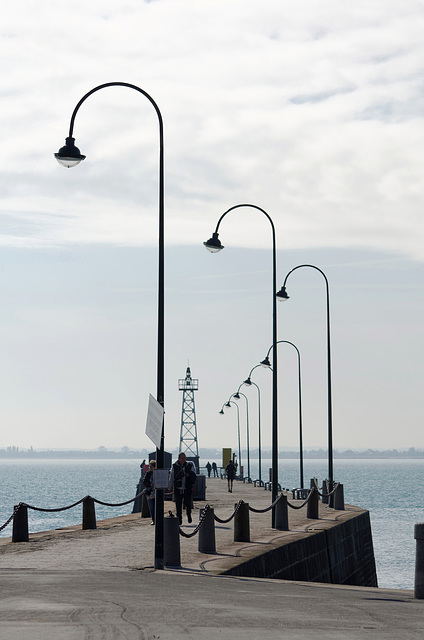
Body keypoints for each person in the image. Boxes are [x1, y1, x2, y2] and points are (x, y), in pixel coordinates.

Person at [168, 452, 196, 524]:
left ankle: (189, 515)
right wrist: (169, 487)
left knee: (188, 503)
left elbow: (194, 475)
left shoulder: (189, 465)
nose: (184, 459)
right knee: (178, 504)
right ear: (179, 458)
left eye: (184, 457)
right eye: (182, 458)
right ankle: (179, 518)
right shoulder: (174, 466)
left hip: (187, 487)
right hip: (178, 488)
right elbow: (171, 477)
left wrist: (189, 475)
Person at [143, 460, 156, 525]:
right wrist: (149, 484)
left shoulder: (158, 473)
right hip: (150, 493)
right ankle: (153, 520)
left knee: (157, 507)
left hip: (156, 493)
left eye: (151, 466)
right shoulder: (148, 473)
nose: (150, 468)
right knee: (151, 508)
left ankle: (157, 519)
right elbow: (144, 482)